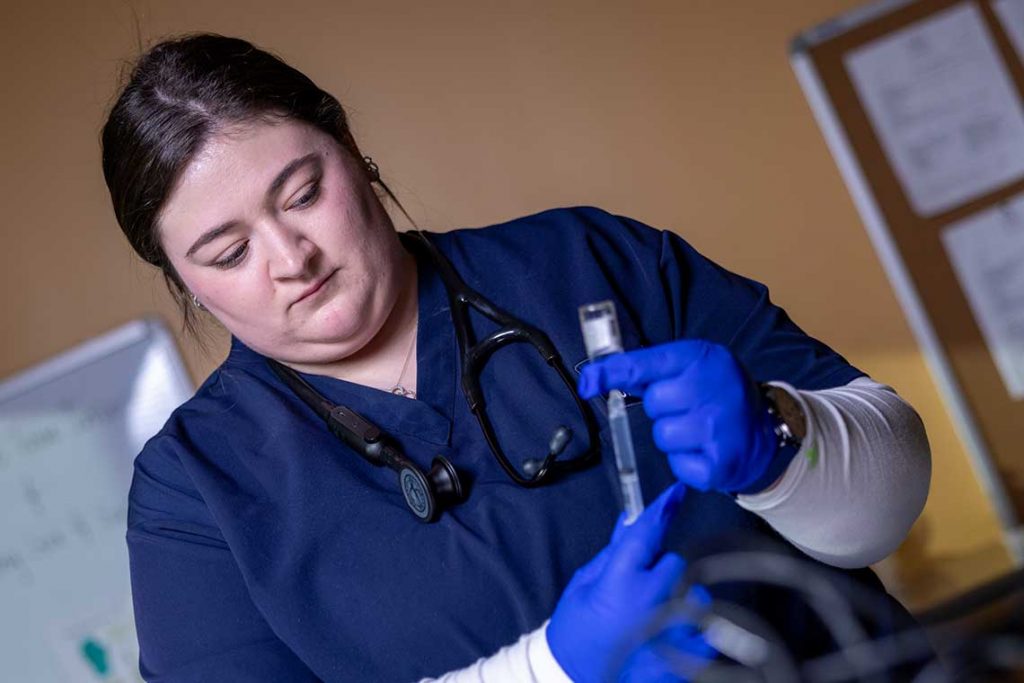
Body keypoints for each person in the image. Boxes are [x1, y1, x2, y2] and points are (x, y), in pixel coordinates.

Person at [101, 34, 931, 682]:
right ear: (184, 281)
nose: (291, 257)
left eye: (304, 194)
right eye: (227, 250)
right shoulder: (197, 492)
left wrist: (781, 440)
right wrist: (553, 668)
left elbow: (892, 502)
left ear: (351, 147)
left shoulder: (588, 263)